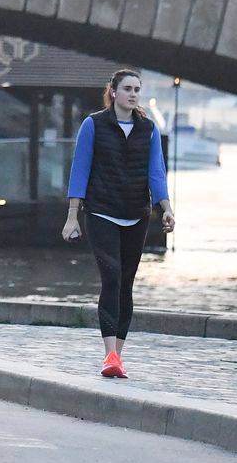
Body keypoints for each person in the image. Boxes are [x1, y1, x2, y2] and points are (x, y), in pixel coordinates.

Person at [64, 68, 174, 379]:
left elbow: (156, 172)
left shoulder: (147, 129)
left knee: (126, 283)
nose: (133, 94)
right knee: (111, 276)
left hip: (135, 214)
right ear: (113, 91)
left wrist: (165, 208)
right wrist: (73, 215)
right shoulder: (94, 125)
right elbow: (80, 170)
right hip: (100, 212)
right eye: (127, 88)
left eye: (137, 89)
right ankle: (108, 353)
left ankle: (118, 357)